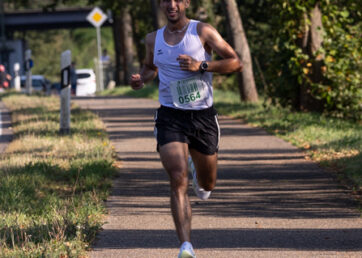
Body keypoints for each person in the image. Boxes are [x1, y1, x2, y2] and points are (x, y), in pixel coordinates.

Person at [130, 0, 242, 257]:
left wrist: (201, 65)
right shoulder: (152, 39)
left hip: (202, 117)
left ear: (186, 3)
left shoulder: (202, 31)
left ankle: (199, 173)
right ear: (160, 4)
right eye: (166, 0)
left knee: (206, 186)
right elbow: (150, 67)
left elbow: (236, 62)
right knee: (177, 177)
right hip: (170, 116)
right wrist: (141, 79)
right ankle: (186, 246)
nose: (171, 4)